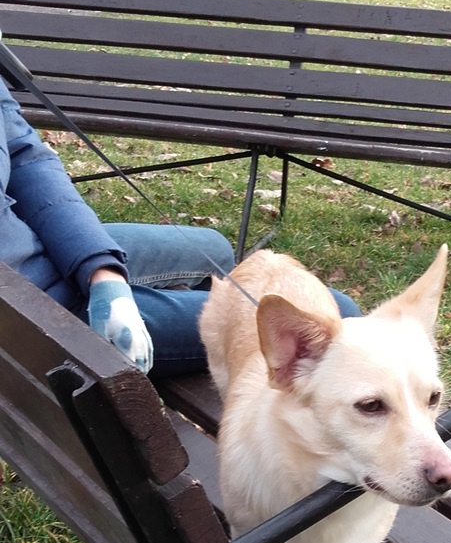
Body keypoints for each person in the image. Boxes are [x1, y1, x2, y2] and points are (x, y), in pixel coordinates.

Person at [0, 75, 360, 378]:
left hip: (36, 244)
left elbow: (23, 154)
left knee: (215, 250)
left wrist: (101, 270)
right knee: (336, 319)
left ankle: (176, 304)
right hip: (34, 305)